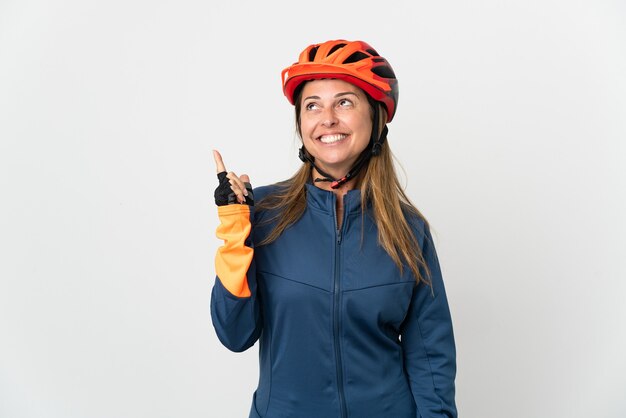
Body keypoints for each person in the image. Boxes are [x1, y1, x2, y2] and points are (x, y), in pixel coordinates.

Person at [210, 39, 457, 418]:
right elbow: (235, 334)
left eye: (344, 102)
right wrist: (234, 234)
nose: (327, 118)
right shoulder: (263, 214)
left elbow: (430, 357)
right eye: (313, 105)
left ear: (375, 118)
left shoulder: (408, 230)